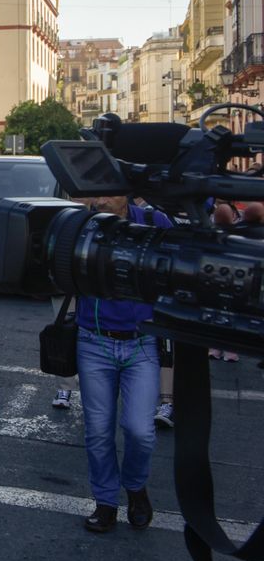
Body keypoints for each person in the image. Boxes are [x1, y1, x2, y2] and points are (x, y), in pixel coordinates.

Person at [75, 193, 171, 533]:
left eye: (109, 193)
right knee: (98, 432)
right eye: (95, 194)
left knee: (139, 430)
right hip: (93, 342)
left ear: (125, 193)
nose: (101, 200)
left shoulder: (152, 222)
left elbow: (177, 264)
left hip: (141, 344)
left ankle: (135, 487)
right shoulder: (82, 224)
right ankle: (105, 501)